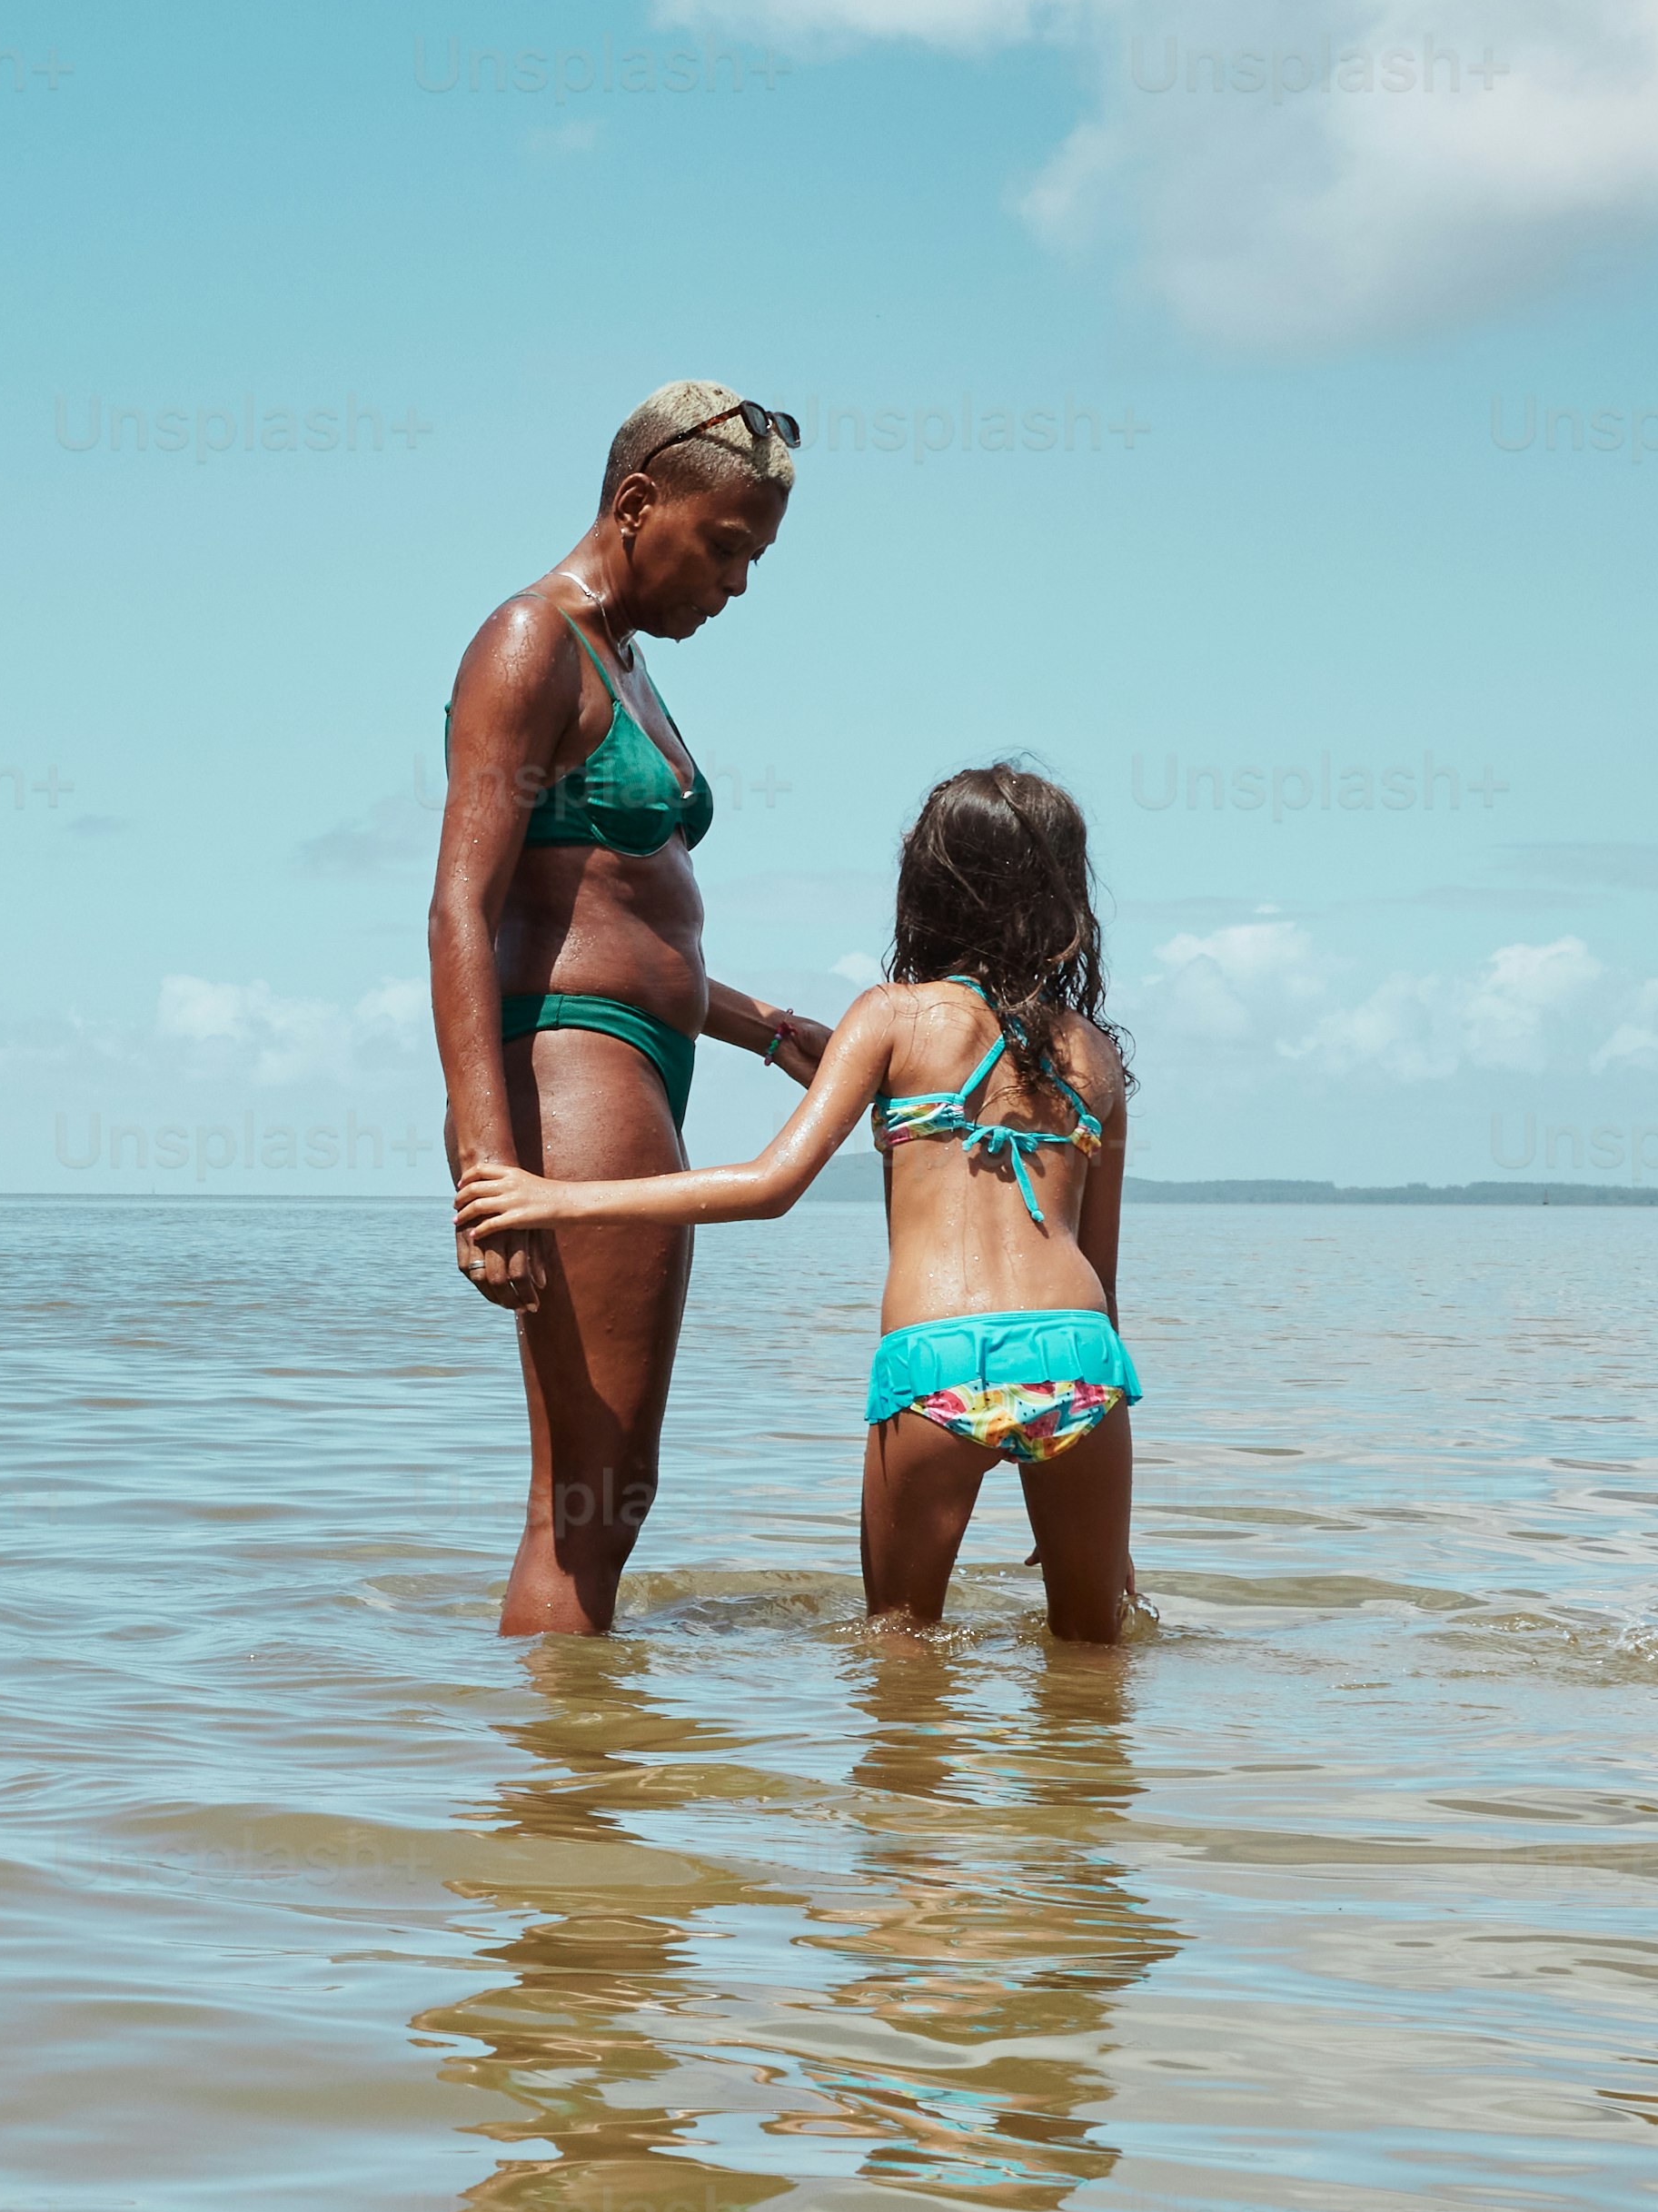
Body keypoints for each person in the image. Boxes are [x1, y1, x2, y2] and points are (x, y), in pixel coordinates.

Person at [456, 759, 1140, 1643]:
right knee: (1092, 1662)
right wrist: (1116, 1527)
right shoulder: (1094, 1053)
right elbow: (1106, 1280)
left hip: (937, 1359)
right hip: (1081, 1364)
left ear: (927, 886)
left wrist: (550, 1199)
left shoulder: (891, 1017)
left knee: (899, 1661)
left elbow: (768, 1186)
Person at [430, 383, 834, 1635]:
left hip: (646, 1057)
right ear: (636, 503)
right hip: (574, 1071)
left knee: (610, 1492)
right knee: (590, 1497)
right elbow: (461, 909)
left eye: (756, 557)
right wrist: (485, 1166)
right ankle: (558, 1816)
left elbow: (614, 927)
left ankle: (563, 1789)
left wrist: (766, 1029)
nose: (738, 584)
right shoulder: (528, 642)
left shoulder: (627, 663)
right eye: (724, 548)